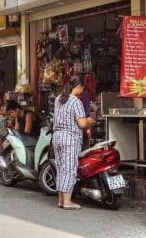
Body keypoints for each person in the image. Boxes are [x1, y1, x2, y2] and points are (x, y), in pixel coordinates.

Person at [52, 76, 95, 210]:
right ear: (79, 87)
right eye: (82, 88)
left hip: (57, 137)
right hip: (69, 139)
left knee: (60, 169)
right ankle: (67, 202)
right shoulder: (76, 101)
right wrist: (90, 121)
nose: (82, 91)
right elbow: (82, 123)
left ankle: (60, 200)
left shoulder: (58, 99)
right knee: (70, 169)